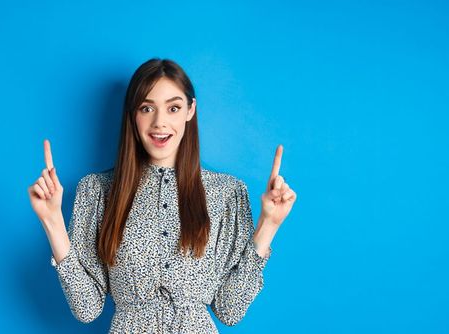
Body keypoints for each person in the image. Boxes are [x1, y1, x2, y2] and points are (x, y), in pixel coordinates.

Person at [27, 58, 297, 333]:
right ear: (133, 113)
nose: (160, 122)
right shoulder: (97, 190)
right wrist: (52, 221)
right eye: (147, 108)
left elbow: (230, 310)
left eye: (173, 108)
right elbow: (87, 308)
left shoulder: (227, 193)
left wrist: (269, 225)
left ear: (190, 111)